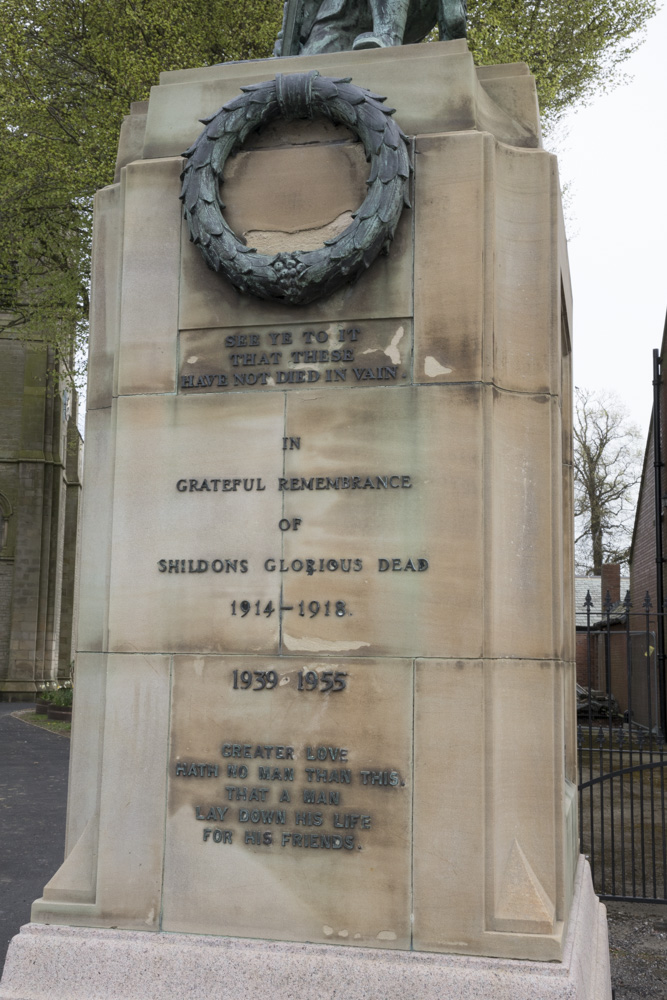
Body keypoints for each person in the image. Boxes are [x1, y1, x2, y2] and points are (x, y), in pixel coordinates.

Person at [275, 0, 467, 57]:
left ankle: (388, 36)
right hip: (344, 16)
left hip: (407, 10)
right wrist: (288, 41)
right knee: (307, 75)